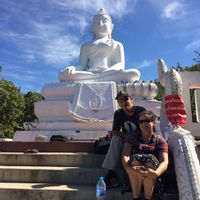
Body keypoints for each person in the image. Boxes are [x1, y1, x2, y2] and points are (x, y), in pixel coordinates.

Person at [59, 8, 140, 82]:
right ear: (92, 27)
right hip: (90, 74)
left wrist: (107, 71)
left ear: (111, 27)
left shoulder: (117, 44)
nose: (100, 24)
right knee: (62, 74)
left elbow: (120, 65)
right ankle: (96, 78)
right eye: (96, 22)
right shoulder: (86, 45)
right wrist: (72, 68)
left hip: (109, 73)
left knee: (134, 73)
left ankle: (95, 79)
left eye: (104, 21)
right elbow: (81, 65)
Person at [102, 91, 145, 189]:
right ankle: (111, 173)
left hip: (140, 140)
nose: (123, 102)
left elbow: (147, 128)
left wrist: (135, 137)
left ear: (131, 99)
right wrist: (128, 136)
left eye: (125, 99)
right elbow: (115, 132)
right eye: (120, 101)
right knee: (116, 139)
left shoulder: (140, 111)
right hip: (127, 140)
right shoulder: (118, 113)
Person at [122, 110, 169, 200]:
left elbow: (164, 161)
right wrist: (128, 169)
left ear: (153, 123)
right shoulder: (132, 138)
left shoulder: (160, 140)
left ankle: (148, 197)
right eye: (141, 121)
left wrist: (156, 173)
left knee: (150, 161)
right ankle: (136, 198)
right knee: (135, 160)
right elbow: (125, 155)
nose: (144, 124)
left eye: (147, 121)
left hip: (153, 176)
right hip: (134, 175)